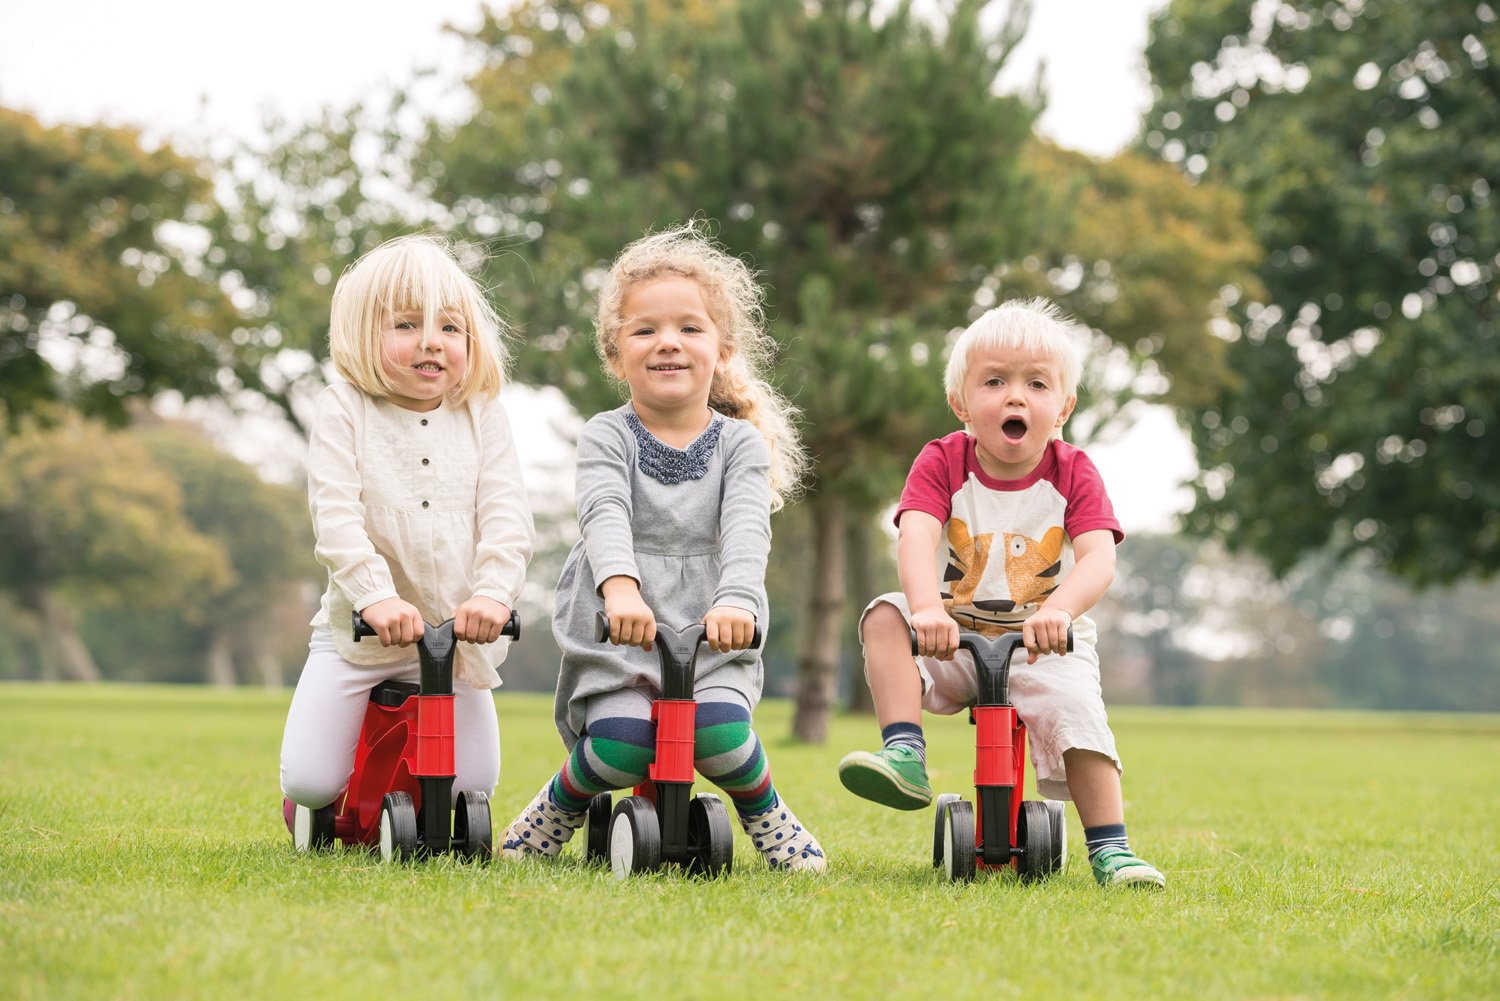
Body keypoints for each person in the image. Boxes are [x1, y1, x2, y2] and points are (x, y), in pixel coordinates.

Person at [499, 223, 825, 872]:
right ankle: (561, 802)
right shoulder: (607, 435)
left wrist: (736, 600)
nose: (667, 341)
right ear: (616, 356)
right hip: (618, 627)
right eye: (644, 330)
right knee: (621, 744)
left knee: (722, 735)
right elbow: (604, 512)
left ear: (723, 350)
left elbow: (746, 529)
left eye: (689, 327)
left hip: (714, 623)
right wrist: (620, 589)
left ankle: (765, 810)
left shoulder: (739, 444)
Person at [837, 298, 1165, 888]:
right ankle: (905, 753)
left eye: (1036, 384)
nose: (1016, 397)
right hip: (952, 637)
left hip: (1044, 644)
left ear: (1063, 407)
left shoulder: (1074, 471)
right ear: (960, 403)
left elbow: (1098, 557)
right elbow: (917, 537)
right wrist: (927, 609)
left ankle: (1111, 848)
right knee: (884, 616)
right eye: (994, 382)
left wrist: (1059, 610)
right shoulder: (942, 460)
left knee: (1081, 721)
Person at [280, 235, 535, 820]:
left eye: (450, 327)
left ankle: (397, 788)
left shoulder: (481, 413)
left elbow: (506, 515)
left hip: (455, 635)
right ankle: (334, 790)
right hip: (363, 634)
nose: (431, 341)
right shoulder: (345, 407)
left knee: (473, 786)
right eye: (405, 325)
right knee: (311, 782)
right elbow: (336, 518)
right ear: (362, 334)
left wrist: (494, 594)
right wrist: (375, 597)